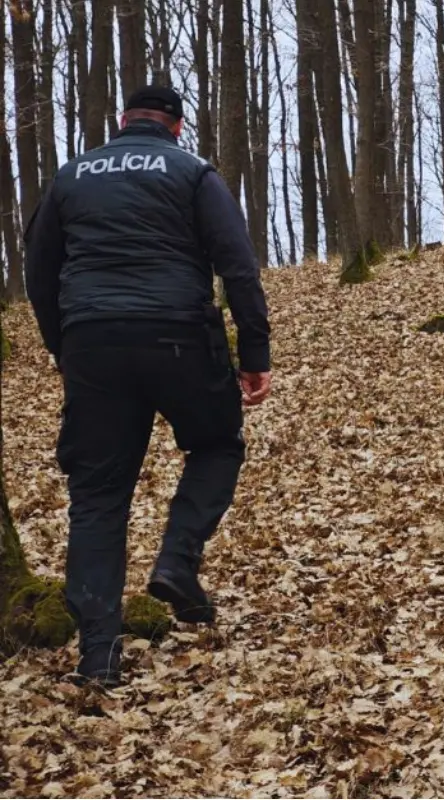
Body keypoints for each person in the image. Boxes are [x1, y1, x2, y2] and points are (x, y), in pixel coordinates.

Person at [23, 85, 272, 686]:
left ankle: (99, 654)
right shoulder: (192, 172)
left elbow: (37, 271)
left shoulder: (71, 176)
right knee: (216, 444)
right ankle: (177, 562)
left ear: (120, 121)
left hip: (92, 344)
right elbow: (237, 264)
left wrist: (66, 345)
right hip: (179, 337)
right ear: (178, 127)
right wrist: (255, 353)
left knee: (98, 495)